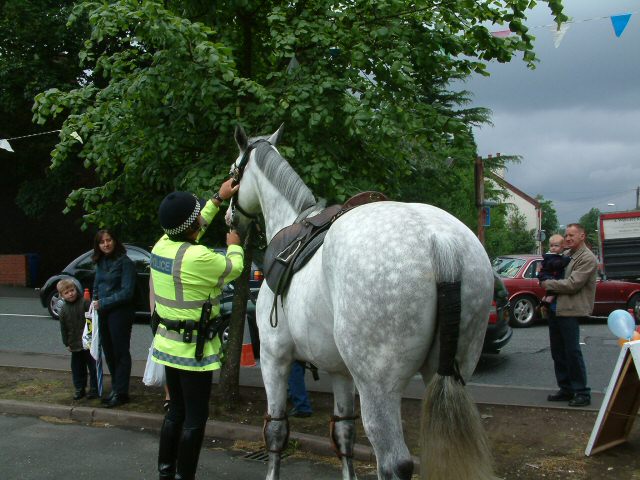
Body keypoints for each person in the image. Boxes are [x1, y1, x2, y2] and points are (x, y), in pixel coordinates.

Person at [151, 178, 244, 480]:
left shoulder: (161, 246)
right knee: (195, 418)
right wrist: (235, 246)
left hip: (167, 347)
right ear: (191, 226)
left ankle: (166, 473)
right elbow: (234, 269)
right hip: (193, 353)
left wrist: (218, 198)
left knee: (175, 411)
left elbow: (193, 228)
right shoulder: (200, 258)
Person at [542, 223, 597, 407]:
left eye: (572, 235)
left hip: (570, 310)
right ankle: (566, 389)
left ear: (583, 236)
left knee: (572, 351)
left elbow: (573, 284)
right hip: (556, 309)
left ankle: (582, 392)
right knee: (558, 351)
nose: (568, 238)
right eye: (566, 235)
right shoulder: (566, 255)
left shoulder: (587, 258)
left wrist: (547, 284)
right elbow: (553, 273)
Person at [92, 229, 137, 408]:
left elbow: (127, 292)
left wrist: (103, 302)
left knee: (120, 352)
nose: (106, 244)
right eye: (102, 242)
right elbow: (97, 285)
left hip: (120, 313)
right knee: (109, 352)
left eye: (109, 240)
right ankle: (116, 389)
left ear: (115, 241)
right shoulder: (100, 262)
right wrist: (95, 301)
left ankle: (122, 392)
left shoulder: (125, 262)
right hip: (103, 312)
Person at [57, 279, 98, 400]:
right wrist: (66, 342)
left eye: (72, 290)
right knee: (77, 368)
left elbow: (93, 320)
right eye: (67, 292)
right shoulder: (63, 310)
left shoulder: (85, 303)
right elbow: (63, 328)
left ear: (76, 289)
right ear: (62, 295)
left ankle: (94, 388)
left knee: (92, 366)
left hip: (88, 343)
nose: (71, 294)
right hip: (74, 343)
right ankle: (79, 388)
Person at [537, 234, 571, 319]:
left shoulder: (550, 256)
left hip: (546, 276)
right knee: (553, 293)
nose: (553, 248)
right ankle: (546, 306)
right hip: (549, 277)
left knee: (549, 293)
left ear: (562, 247)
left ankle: (543, 303)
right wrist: (567, 259)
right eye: (551, 246)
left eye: (556, 246)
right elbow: (557, 264)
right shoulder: (553, 257)